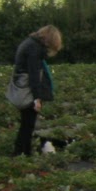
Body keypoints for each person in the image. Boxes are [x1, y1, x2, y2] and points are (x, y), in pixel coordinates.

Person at [11, 24, 63, 156]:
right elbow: (34, 75)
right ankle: (20, 153)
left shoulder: (29, 43)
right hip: (27, 91)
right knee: (27, 125)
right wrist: (36, 99)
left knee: (26, 124)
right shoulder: (34, 49)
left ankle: (24, 152)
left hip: (21, 87)